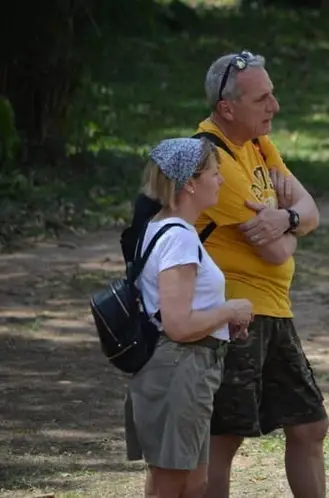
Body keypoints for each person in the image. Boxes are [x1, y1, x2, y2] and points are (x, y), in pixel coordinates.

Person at [192, 50, 328, 498]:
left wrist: (285, 217)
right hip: (235, 315)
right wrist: (291, 220)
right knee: (224, 436)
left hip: (273, 310)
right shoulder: (212, 160)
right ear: (226, 108)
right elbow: (274, 252)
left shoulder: (256, 144)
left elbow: (311, 213)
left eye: (272, 95)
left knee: (310, 425)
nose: (275, 107)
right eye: (262, 99)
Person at [125, 137, 255, 498]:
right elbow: (178, 325)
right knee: (174, 484)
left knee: (194, 482)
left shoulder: (162, 229)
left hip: (187, 370)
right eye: (215, 173)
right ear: (191, 183)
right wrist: (230, 309)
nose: (222, 181)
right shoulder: (179, 238)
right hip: (180, 370)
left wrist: (221, 322)